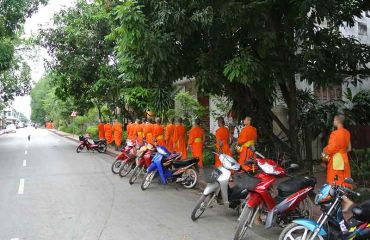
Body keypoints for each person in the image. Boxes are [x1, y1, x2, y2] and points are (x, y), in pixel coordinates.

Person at [323, 114, 352, 187]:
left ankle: (335, 196)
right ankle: (344, 195)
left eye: (334, 120)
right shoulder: (347, 133)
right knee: (344, 178)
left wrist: (324, 155)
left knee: (335, 179)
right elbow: (349, 149)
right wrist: (342, 152)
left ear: (337, 120)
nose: (333, 122)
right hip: (344, 158)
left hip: (336, 159)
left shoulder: (335, 134)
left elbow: (330, 149)